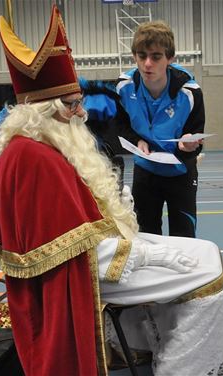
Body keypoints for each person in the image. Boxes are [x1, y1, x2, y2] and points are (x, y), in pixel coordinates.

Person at [0, 6, 223, 375]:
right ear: (46, 110)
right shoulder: (33, 159)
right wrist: (149, 255)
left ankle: (159, 351)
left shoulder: (45, 145)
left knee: (206, 250)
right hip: (88, 273)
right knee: (205, 272)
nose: (81, 114)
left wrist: (112, 206)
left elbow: (74, 223)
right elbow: (72, 249)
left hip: (103, 252)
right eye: (72, 105)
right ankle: (183, 368)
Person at [85, 21, 205, 238]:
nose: (148, 64)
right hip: (145, 172)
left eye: (156, 57)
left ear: (170, 59)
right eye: (142, 56)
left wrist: (187, 146)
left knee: (184, 236)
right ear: (135, 57)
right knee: (146, 236)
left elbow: (196, 139)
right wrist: (136, 140)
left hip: (181, 172)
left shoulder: (190, 92)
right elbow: (121, 125)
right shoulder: (124, 85)